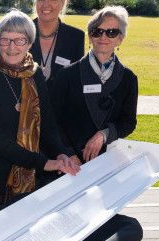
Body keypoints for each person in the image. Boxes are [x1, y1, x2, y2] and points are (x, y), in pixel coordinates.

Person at [0, 9, 79, 219]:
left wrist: (60, 153)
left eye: (19, 40)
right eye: (5, 40)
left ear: (30, 43)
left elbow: (47, 123)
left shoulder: (35, 74)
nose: (12, 48)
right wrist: (44, 162)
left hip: (28, 178)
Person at [51, 6, 138, 162]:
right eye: (97, 31)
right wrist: (68, 154)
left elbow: (128, 122)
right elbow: (52, 121)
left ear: (120, 39)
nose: (103, 37)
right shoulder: (66, 75)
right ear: (90, 37)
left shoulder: (128, 79)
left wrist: (104, 134)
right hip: (67, 162)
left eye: (111, 32)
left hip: (108, 160)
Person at [30, 0, 85, 97]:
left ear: (63, 3)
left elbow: (77, 81)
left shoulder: (76, 37)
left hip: (62, 109)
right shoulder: (21, 32)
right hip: (25, 109)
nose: (46, 4)